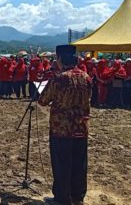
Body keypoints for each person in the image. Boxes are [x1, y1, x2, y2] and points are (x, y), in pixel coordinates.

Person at [39, 45, 92, 205]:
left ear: (60, 59)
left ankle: (62, 198)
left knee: (62, 163)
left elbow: (43, 100)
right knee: (79, 163)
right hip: (81, 127)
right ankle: (78, 196)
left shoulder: (60, 78)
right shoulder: (86, 77)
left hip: (61, 128)